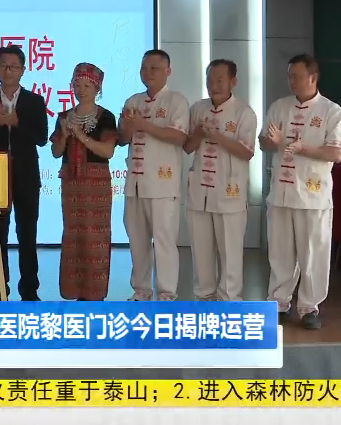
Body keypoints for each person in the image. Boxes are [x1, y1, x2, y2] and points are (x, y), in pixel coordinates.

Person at [260, 54, 341, 329]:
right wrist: (271, 141)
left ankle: (310, 307)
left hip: (312, 195)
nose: (291, 81)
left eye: (296, 76)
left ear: (313, 77)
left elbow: (336, 153)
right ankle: (279, 302)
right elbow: (264, 143)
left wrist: (299, 147)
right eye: (289, 76)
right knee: (280, 251)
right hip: (281, 193)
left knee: (313, 254)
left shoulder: (332, 111)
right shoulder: (279, 107)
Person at [0, 45, 49, 301]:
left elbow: (41, 138)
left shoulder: (34, 101)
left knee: (27, 234)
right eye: (3, 66)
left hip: (26, 176)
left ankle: (29, 289)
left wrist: (16, 123)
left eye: (14, 66)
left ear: (22, 70)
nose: (8, 71)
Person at [117, 49, 189, 301]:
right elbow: (122, 139)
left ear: (168, 71)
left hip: (162, 184)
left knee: (164, 240)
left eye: (154, 68)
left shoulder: (176, 101)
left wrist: (144, 125)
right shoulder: (133, 101)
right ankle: (141, 290)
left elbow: (179, 136)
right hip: (134, 183)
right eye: (144, 68)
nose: (148, 73)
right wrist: (127, 126)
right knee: (136, 240)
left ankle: (167, 292)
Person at [183, 59, 257, 301]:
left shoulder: (244, 112)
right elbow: (187, 147)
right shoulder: (198, 108)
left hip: (229, 193)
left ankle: (229, 301)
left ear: (233, 82)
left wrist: (219, 137)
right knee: (200, 251)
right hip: (199, 193)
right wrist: (198, 133)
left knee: (230, 253)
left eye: (219, 80)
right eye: (209, 80)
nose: (213, 86)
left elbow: (247, 152)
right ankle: (203, 298)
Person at [51, 63, 118, 301]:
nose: (81, 90)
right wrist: (65, 135)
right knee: (73, 234)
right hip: (72, 183)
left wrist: (80, 136)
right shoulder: (63, 117)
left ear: (97, 88)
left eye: (87, 85)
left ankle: (94, 293)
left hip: (96, 182)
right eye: (77, 84)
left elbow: (108, 151)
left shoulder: (106, 117)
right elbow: (56, 152)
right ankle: (73, 290)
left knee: (95, 236)